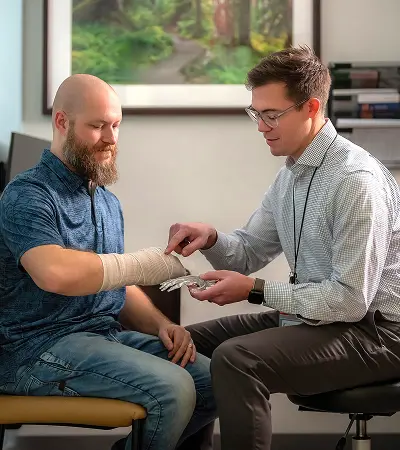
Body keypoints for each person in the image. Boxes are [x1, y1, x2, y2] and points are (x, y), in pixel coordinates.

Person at [165, 45, 400, 450]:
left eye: (271, 115)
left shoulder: (354, 181)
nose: (261, 127)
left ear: (311, 108)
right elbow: (248, 252)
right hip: (321, 319)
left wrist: (255, 291)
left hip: (377, 333)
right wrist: (213, 238)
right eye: (256, 114)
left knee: (237, 359)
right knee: (184, 345)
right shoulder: (291, 173)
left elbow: (349, 301)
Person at [0, 74, 217, 450]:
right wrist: (145, 264)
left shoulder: (106, 202)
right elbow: (54, 273)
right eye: (98, 125)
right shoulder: (27, 196)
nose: (111, 138)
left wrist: (162, 325)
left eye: (116, 125)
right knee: (174, 388)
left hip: (103, 337)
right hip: (35, 350)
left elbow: (113, 282)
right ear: (62, 122)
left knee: (215, 382)